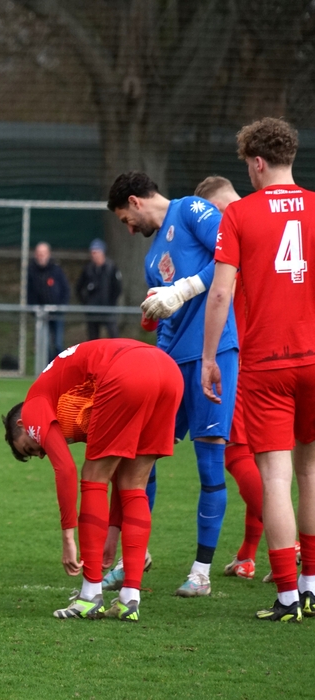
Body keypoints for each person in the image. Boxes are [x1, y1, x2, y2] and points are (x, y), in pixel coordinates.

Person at [202, 117, 315, 622]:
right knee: (311, 470)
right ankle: (312, 585)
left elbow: (221, 292)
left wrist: (210, 357)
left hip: (268, 362)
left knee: (275, 476)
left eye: (248, 164)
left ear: (258, 162)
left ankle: (288, 595)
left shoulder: (241, 214)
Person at [109, 171, 239, 598]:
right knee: (141, 457)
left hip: (214, 354)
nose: (129, 229)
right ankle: (135, 555)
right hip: (172, 365)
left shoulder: (191, 209)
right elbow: (166, 321)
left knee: (209, 462)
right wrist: (156, 334)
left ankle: (201, 572)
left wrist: (183, 289)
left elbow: (231, 253)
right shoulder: (151, 261)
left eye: (126, 219)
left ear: (135, 201)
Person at [4, 339, 182, 621]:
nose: (40, 453)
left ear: (21, 425)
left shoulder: (33, 406)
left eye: (29, 447)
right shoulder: (72, 402)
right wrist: (112, 530)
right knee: (134, 484)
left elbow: (66, 470)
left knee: (92, 477)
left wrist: (68, 538)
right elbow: (118, 475)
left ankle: (89, 598)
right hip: (168, 371)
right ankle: (129, 599)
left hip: (128, 370)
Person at [194, 175, 266, 581]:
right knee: (266, 458)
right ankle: (248, 554)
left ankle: (291, 542)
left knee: (236, 453)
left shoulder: (235, 232)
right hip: (289, 351)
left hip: (249, 357)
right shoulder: (271, 222)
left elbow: (221, 294)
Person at [27, 242, 70, 362]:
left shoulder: (56, 270)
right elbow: (29, 292)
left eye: (43, 253)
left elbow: (66, 290)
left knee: (57, 344)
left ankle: (60, 368)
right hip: (41, 314)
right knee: (43, 345)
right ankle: (47, 369)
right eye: (39, 254)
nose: (41, 256)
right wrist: (34, 309)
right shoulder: (32, 271)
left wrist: (61, 307)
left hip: (57, 314)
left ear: (48, 254)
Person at [76, 238, 122, 340]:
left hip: (108, 309)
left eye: (97, 252)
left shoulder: (111, 268)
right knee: (93, 338)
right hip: (92, 310)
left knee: (113, 335)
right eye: (93, 253)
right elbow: (79, 287)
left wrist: (111, 302)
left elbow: (117, 288)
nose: (95, 255)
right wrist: (86, 302)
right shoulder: (88, 269)